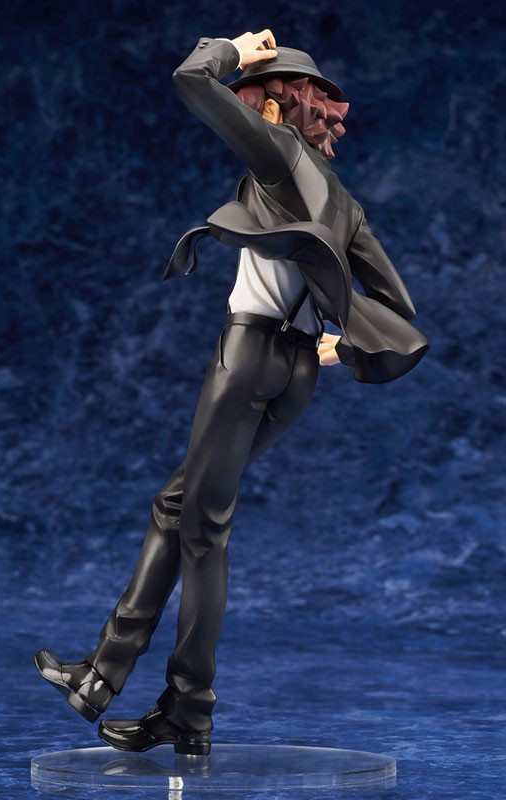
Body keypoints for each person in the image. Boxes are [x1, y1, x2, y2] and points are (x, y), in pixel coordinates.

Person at [34, 30, 428, 756]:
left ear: (275, 105)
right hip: (297, 374)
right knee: (178, 506)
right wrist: (339, 346)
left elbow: (192, 80)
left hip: (247, 359)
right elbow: (398, 306)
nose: (247, 109)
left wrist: (236, 48)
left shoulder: (278, 154)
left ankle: (187, 709)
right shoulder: (344, 203)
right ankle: (101, 674)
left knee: (203, 532)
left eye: (256, 99)